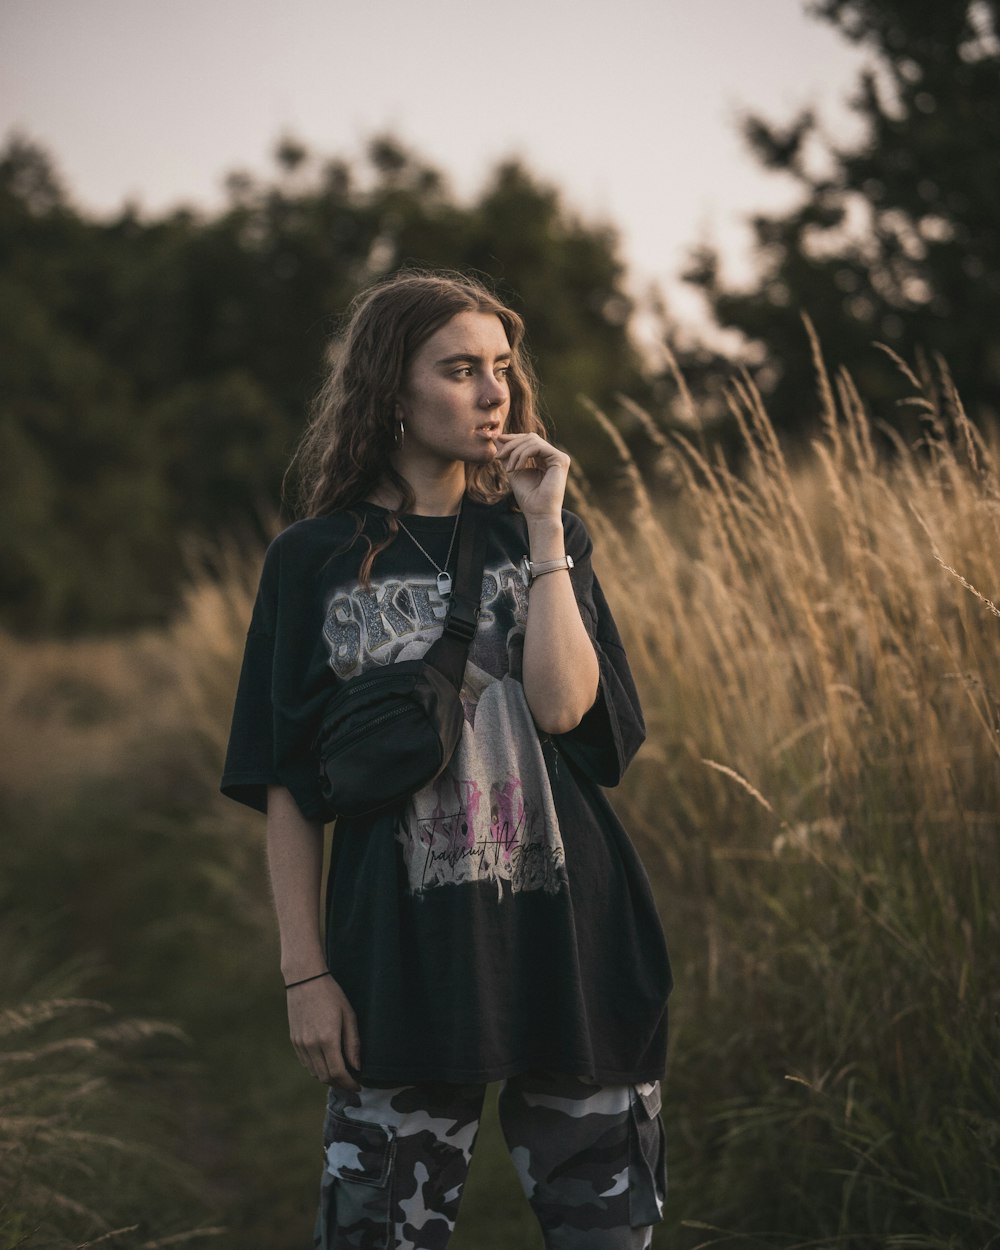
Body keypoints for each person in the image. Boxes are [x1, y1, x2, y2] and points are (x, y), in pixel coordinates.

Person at [221, 270, 672, 1250]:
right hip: (401, 961)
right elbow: (287, 778)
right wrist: (306, 972)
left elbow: (562, 706)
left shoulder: (542, 533)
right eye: (460, 368)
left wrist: (546, 527)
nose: (492, 392)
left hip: (572, 947)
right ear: (391, 392)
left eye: (501, 368)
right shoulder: (314, 560)